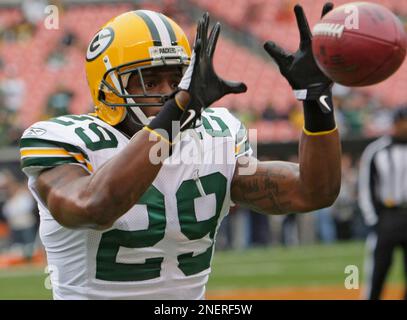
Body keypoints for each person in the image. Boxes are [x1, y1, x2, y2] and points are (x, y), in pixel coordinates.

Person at [19, 5, 341, 299]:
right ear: (108, 88)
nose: (167, 92)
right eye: (149, 80)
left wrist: (315, 103)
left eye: (177, 79)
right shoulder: (64, 138)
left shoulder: (214, 135)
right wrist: (177, 114)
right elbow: (94, 207)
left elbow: (312, 192)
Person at [359, 106, 407, 300]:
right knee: (378, 271)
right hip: (388, 215)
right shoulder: (377, 150)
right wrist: (374, 221)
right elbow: (366, 188)